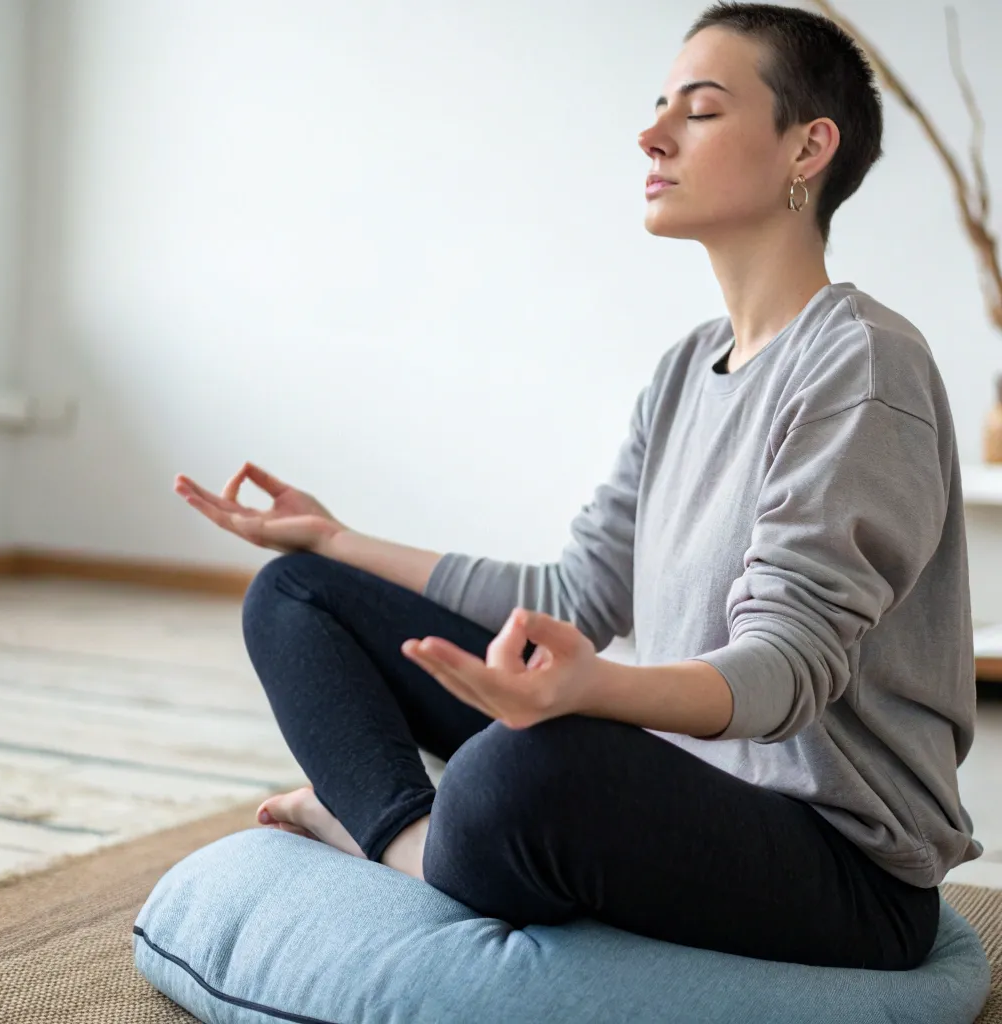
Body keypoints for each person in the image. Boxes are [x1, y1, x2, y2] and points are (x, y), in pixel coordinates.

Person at [173, 1, 982, 970]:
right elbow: (577, 595)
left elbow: (789, 666)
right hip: (688, 784)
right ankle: (420, 837)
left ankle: (393, 837)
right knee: (299, 595)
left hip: (842, 866)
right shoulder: (687, 368)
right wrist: (333, 538)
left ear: (807, 146)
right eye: (656, 106)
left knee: (520, 769)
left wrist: (595, 692)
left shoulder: (861, 365)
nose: (651, 132)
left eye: (701, 109)